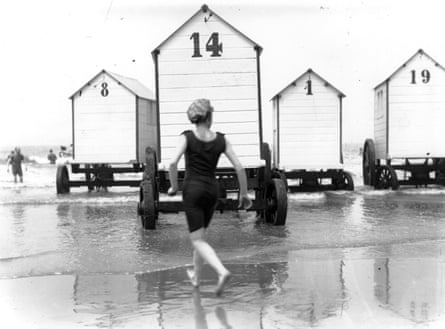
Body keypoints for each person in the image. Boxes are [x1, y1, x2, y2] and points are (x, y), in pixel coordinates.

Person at [168, 98, 252, 296]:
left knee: (197, 240)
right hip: (212, 190)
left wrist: (173, 187)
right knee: (201, 236)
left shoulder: (187, 137)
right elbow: (239, 168)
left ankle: (221, 271)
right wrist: (244, 193)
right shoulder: (221, 140)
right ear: (209, 117)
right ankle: (196, 277)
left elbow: (172, 163)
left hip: (193, 191)